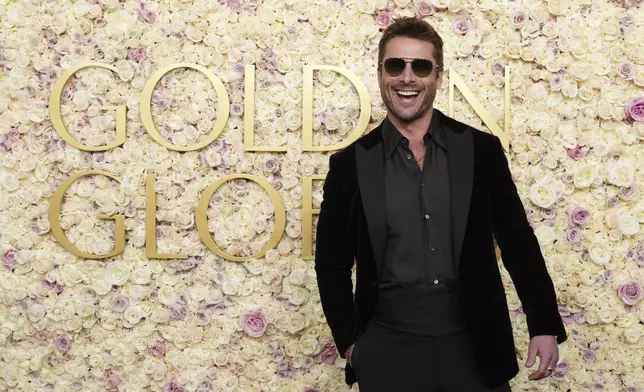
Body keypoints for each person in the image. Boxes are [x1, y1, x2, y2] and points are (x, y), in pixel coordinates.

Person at [314, 16, 567, 392]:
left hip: (474, 344)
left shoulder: (481, 150)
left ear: (438, 76)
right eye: (395, 65)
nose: (407, 77)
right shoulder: (350, 163)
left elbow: (517, 240)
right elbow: (331, 261)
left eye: (421, 66)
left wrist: (544, 324)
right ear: (381, 72)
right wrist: (352, 344)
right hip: (386, 348)